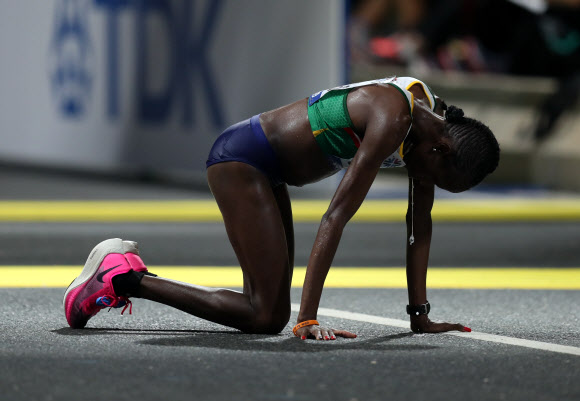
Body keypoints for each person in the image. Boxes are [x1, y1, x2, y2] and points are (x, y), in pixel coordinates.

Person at [63, 76, 500, 340]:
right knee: (266, 315)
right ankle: (123, 276)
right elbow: (336, 215)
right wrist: (308, 318)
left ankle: (126, 276)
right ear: (441, 148)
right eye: (436, 178)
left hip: (267, 172)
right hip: (242, 160)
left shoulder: (429, 129)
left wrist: (419, 317)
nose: (425, 183)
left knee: (267, 315)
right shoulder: (393, 117)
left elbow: (418, 226)